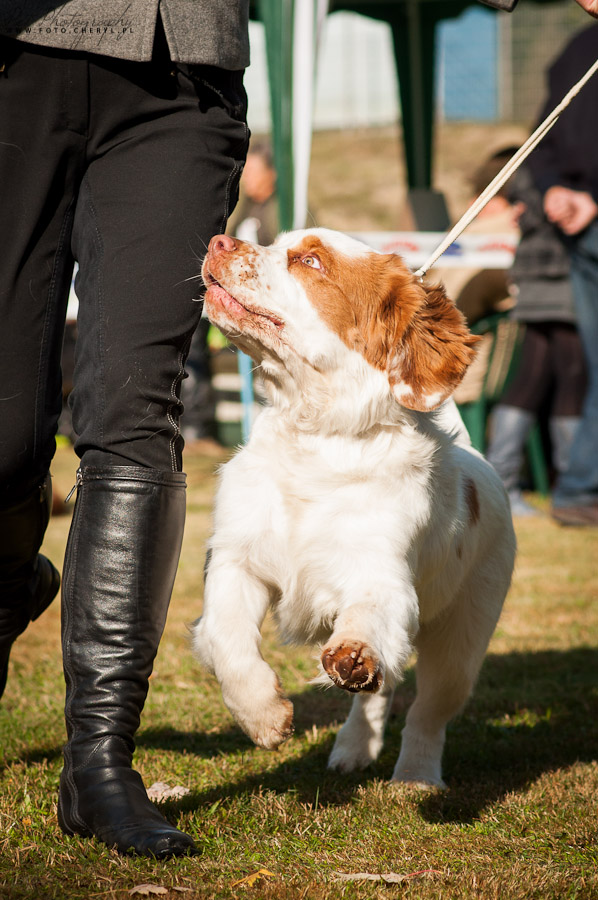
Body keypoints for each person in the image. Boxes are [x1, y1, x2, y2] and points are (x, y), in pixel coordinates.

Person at [0, 3, 249, 858]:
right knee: (6, 438)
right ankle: (8, 588)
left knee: (136, 409)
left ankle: (99, 765)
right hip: (14, 53)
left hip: (180, 68)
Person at [527, 23, 598, 525]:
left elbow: (543, 140)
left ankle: (577, 489)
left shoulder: (576, 45)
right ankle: (577, 489)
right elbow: (544, 137)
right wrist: (560, 190)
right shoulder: (579, 48)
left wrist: (559, 189)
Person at [486, 164, 587, 516]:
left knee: (535, 376)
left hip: (538, 270)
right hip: (562, 269)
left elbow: (524, 212)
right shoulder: (567, 155)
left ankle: (506, 484)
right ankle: (571, 487)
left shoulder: (535, 162)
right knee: (570, 376)